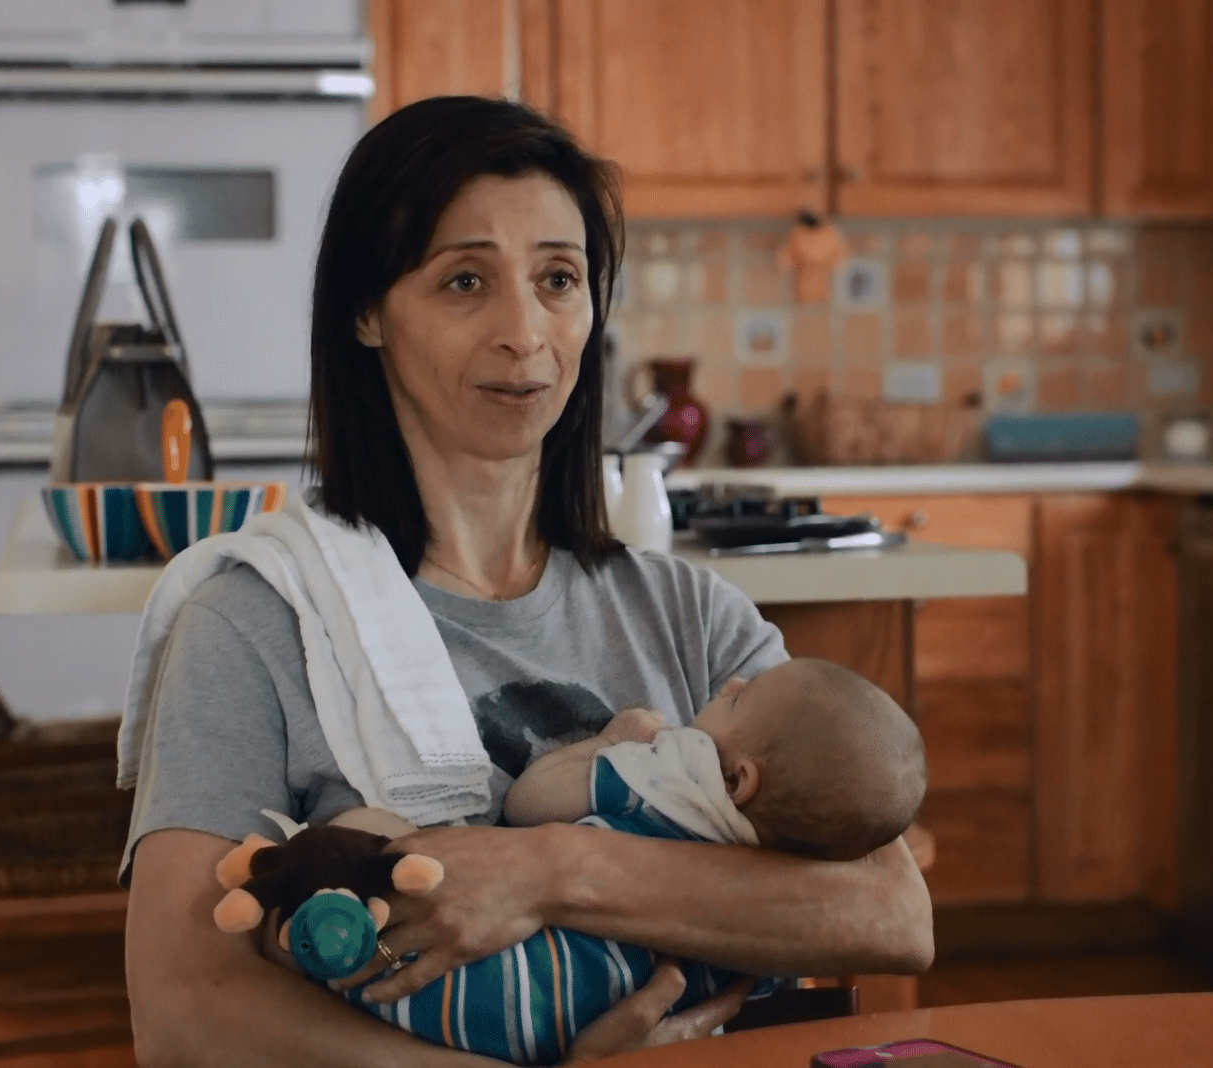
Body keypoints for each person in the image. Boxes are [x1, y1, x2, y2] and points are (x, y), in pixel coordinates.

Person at [122, 95, 933, 1068]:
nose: (525, 331)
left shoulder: (689, 618)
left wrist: (551, 870)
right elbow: (180, 1008)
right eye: (465, 280)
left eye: (558, 279)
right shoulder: (252, 624)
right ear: (367, 310)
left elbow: (889, 910)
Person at [310, 657, 929, 1065]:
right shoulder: (785, 890)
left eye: (743, 698)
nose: (734, 682)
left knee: (363, 838)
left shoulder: (673, 774)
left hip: (451, 977)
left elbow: (531, 802)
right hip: (566, 1027)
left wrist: (602, 759)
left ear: (738, 781)